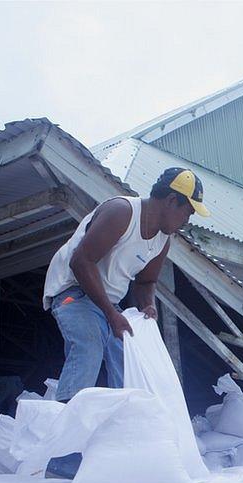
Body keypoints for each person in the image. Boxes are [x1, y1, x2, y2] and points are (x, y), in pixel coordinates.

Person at [42, 168, 209, 402]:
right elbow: (81, 262)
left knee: (129, 362)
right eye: (187, 212)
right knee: (90, 345)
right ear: (172, 200)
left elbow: (146, 281)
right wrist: (111, 314)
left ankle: (124, 424)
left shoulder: (162, 241)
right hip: (73, 293)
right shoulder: (122, 212)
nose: (186, 221)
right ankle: (67, 418)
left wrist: (147, 306)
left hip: (107, 304)